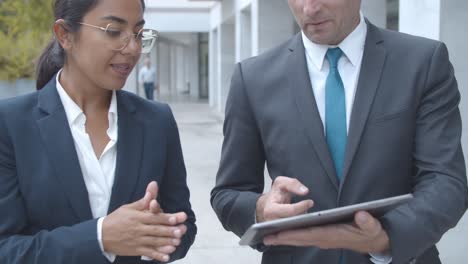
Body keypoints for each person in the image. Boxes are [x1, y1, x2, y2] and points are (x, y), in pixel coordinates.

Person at [211, 0, 468, 263]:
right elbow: (228, 193)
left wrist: (387, 235)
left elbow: (446, 181)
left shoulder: (423, 62)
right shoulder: (252, 78)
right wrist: (260, 211)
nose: (309, 9)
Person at [0, 0, 196, 263]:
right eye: (113, 31)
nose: (133, 48)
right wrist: (101, 236)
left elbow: (185, 226)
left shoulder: (157, 121)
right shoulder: (11, 124)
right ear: (65, 35)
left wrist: (159, 231)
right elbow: (6, 249)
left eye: (139, 34)